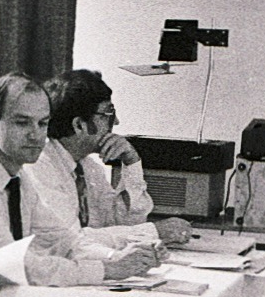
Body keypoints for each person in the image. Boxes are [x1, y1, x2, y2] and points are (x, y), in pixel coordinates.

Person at [0, 73, 161, 285]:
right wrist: (107, 269)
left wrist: (120, 257)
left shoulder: (16, 177)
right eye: (22, 123)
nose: (36, 135)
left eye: (42, 124)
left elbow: (64, 241)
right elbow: (16, 267)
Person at [23, 68, 194, 248]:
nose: (117, 122)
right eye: (108, 114)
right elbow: (70, 240)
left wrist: (132, 163)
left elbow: (122, 225)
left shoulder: (87, 168)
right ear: (80, 125)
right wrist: (153, 232)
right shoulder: (40, 167)